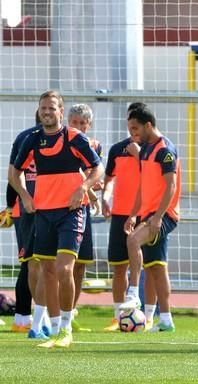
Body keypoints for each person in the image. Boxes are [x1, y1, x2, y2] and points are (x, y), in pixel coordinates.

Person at [11, 90, 103, 348]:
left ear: (61, 111)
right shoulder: (32, 140)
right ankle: (49, 328)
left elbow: (98, 168)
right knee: (47, 271)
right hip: (43, 212)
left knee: (65, 269)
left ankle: (65, 329)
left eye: (52, 108)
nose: (47, 112)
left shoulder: (74, 137)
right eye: (43, 108)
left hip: (71, 212)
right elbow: (14, 173)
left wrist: (84, 188)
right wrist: (25, 197)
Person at [118, 105, 180, 334]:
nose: (132, 133)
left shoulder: (165, 149)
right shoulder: (145, 149)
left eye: (135, 128)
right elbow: (143, 188)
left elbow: (171, 186)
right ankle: (166, 320)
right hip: (148, 214)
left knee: (133, 241)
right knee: (156, 268)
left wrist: (158, 217)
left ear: (148, 125)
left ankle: (133, 294)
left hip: (164, 215)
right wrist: (134, 214)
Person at [101, 102, 148, 331]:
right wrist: (105, 198)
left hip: (145, 214)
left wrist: (139, 156)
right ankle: (117, 316)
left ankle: (150, 315)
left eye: (136, 123)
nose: (133, 128)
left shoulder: (153, 150)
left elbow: (155, 176)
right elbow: (109, 178)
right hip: (121, 214)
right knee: (119, 267)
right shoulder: (117, 149)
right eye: (130, 122)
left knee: (150, 266)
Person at [5, 110, 43, 335]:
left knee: (32, 262)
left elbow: (12, 177)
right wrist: (11, 206)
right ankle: (23, 317)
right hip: (29, 208)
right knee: (33, 262)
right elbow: (14, 174)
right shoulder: (26, 138)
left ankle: (28, 317)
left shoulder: (24, 137)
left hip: (27, 208)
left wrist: (10, 206)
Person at [67, 103, 103, 332]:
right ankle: (49, 313)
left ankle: (69, 312)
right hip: (60, 207)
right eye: (75, 122)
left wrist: (95, 190)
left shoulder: (94, 146)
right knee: (58, 264)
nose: (79, 127)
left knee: (80, 264)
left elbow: (94, 173)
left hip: (83, 209)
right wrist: (90, 189)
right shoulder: (61, 142)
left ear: (88, 125)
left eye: (83, 123)